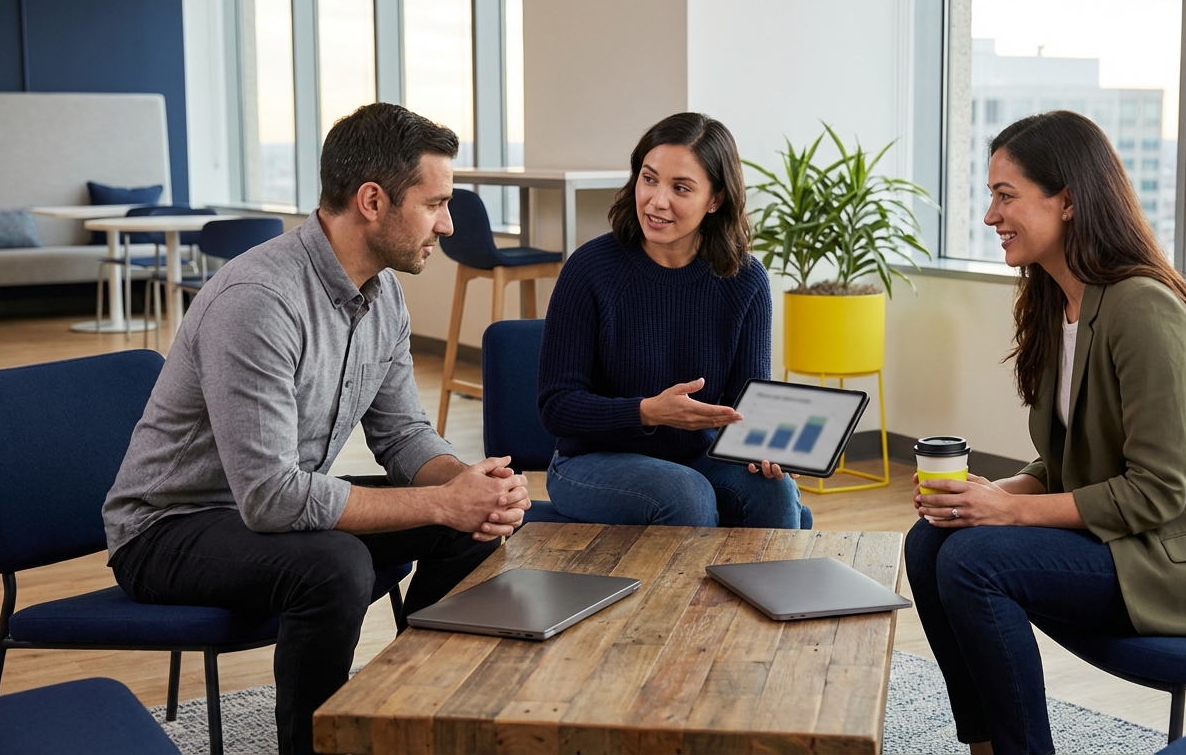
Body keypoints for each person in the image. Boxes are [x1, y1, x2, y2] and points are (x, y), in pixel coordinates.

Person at [102, 103, 530, 754]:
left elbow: (404, 435)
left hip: (259, 509)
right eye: (436, 203)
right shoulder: (258, 302)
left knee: (468, 522)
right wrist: (442, 499)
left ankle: (414, 715)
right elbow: (272, 497)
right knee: (334, 564)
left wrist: (469, 485)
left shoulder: (382, 294)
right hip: (168, 529)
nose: (447, 225)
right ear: (371, 200)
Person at [903, 110, 1186, 755]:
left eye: (1006, 196)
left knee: (974, 560)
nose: (992, 216)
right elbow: (1068, 461)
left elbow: (1158, 490)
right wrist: (994, 493)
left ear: (1070, 200)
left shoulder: (1143, 307)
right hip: (1134, 541)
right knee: (931, 539)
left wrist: (1008, 516)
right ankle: (987, 744)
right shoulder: (1058, 303)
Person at [537, 112, 802, 528]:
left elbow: (747, 403)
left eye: (680, 188)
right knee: (685, 493)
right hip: (590, 462)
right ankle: (689, 598)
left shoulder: (746, 279)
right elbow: (557, 408)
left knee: (776, 493)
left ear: (715, 200)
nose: (657, 201)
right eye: (649, 179)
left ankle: (772, 596)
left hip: (701, 458)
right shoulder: (589, 269)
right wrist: (648, 412)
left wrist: (768, 447)